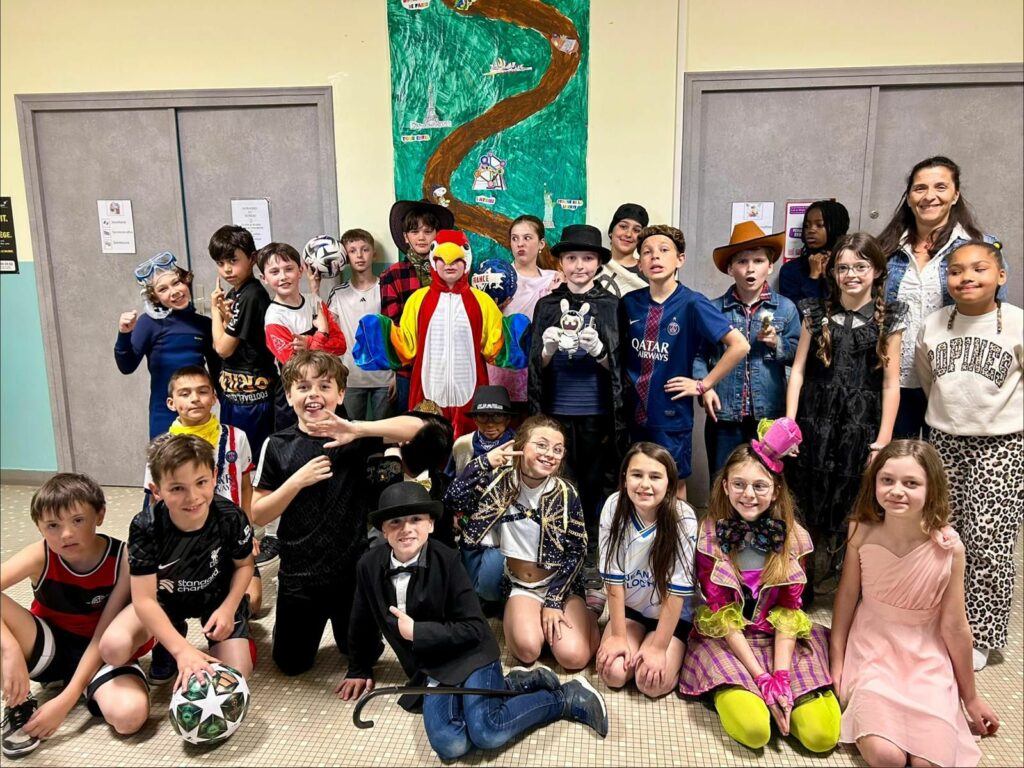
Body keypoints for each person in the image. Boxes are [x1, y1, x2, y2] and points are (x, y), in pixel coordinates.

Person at [337, 482, 608, 760]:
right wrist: (358, 668)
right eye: (395, 522)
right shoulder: (368, 565)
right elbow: (361, 617)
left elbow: (475, 629)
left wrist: (418, 631)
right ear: (383, 530)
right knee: (451, 744)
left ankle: (563, 698)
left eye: (416, 519)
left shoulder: (449, 561)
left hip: (470, 653)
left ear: (430, 524)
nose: (406, 529)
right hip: (432, 668)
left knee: (488, 730)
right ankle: (514, 685)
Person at [250, 350, 423, 678]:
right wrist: (296, 481)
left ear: (340, 394)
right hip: (299, 575)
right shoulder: (277, 444)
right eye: (303, 387)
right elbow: (258, 514)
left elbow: (420, 428)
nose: (313, 394)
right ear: (289, 395)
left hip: (351, 574)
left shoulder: (358, 437)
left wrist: (358, 429)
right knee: (291, 664)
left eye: (324, 386)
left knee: (364, 655)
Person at [830, 441, 1000, 766]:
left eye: (911, 483)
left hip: (926, 658)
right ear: (874, 483)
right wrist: (836, 662)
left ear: (931, 488)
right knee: (886, 757)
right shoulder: (861, 530)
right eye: (887, 480)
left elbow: (955, 627)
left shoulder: (949, 548)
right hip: (873, 651)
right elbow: (846, 597)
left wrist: (971, 697)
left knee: (928, 762)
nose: (897, 491)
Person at [678, 420, 840, 753]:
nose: (748, 495)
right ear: (725, 487)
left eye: (759, 486)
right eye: (739, 484)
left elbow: (789, 610)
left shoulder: (794, 538)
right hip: (729, 640)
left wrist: (780, 676)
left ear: (776, 490)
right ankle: (734, 687)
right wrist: (760, 677)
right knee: (755, 731)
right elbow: (722, 614)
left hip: (779, 639)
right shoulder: (710, 537)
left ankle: (797, 692)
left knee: (821, 737)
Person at [916, 240, 1023, 671]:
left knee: (988, 541)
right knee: (941, 534)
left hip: (1000, 444)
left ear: (1001, 275)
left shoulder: (1017, 324)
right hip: (944, 441)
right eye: (956, 271)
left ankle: (980, 634)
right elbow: (928, 379)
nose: (966, 278)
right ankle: (941, 621)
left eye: (979, 269)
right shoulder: (933, 325)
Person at [785, 232, 905, 594]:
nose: (851, 274)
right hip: (814, 420)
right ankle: (803, 579)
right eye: (842, 267)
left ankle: (846, 581)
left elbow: (891, 383)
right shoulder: (814, 312)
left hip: (860, 424)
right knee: (808, 496)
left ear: (877, 270)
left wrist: (883, 441)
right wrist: (789, 424)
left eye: (860, 266)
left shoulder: (890, 318)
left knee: (852, 500)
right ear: (832, 272)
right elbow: (798, 371)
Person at [0, 474, 151, 757]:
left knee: (130, 716)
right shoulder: (40, 555)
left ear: (100, 515)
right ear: (39, 527)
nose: (66, 534)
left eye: (78, 520)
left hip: (102, 652)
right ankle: (18, 702)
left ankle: (78, 686)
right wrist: (10, 650)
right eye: (53, 526)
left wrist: (65, 702)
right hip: (49, 646)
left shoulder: (123, 558)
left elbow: (102, 636)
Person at [101, 434, 255, 694]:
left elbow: (245, 566)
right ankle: (169, 636)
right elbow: (144, 600)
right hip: (165, 599)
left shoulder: (230, 516)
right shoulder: (146, 526)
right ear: (156, 490)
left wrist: (228, 608)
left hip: (217, 595)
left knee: (234, 676)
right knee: (112, 648)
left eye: (201, 482)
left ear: (214, 477)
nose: (192, 497)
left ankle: (236, 632)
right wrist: (181, 650)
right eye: (177, 488)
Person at [445, 416, 599, 670]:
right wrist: (483, 462)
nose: (549, 454)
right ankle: (534, 622)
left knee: (573, 658)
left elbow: (577, 550)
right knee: (527, 652)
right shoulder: (500, 482)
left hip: (561, 584)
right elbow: (453, 500)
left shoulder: (565, 492)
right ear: (520, 446)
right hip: (520, 585)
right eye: (541, 445)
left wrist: (553, 600)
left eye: (557, 449)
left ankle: (589, 613)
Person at [355, 230, 528, 439]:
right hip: (427, 389)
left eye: (456, 261)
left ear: (466, 261)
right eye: (442, 260)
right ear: (433, 261)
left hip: (471, 390)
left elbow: (495, 344)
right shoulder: (418, 300)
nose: (449, 265)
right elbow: (407, 344)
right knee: (427, 443)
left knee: (468, 446)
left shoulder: (482, 301)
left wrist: (518, 335)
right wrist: (377, 334)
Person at [620, 225, 749, 499]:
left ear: (680, 259)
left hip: (670, 414)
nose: (655, 257)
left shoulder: (692, 303)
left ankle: (679, 528)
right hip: (632, 412)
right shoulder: (629, 303)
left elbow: (740, 345)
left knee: (673, 480)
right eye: (647, 252)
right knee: (635, 480)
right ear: (639, 264)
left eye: (664, 250)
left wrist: (703, 385)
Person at [877, 156, 1001, 439]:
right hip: (894, 381)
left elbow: (994, 319)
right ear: (909, 197)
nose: (929, 196)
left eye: (940, 187)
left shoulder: (980, 249)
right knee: (897, 460)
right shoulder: (885, 249)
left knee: (944, 463)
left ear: (955, 195)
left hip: (953, 382)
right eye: (920, 188)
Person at [528, 224, 626, 568]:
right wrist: (548, 349)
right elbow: (536, 365)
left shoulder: (612, 306)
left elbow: (618, 366)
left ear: (598, 262)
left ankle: (591, 547)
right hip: (555, 410)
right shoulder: (546, 306)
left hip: (596, 412)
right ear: (561, 263)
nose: (579, 266)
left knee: (593, 481)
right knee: (558, 478)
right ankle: (558, 543)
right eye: (571, 258)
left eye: (587, 258)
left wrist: (599, 352)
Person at [149, 365, 264, 618]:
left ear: (214, 397)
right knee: (173, 601)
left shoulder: (236, 437)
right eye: (185, 393)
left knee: (252, 603)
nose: (195, 399)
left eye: (202, 392)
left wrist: (248, 529)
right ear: (171, 403)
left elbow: (245, 485)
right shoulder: (160, 448)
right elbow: (154, 500)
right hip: (185, 537)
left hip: (230, 533)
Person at [696, 222, 801, 479]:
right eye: (742, 261)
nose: (750, 268)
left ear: (770, 266)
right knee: (722, 479)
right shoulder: (714, 309)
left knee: (767, 480)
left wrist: (777, 343)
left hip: (769, 415)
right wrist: (704, 387)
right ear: (730, 268)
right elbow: (698, 355)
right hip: (724, 414)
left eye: (758, 260)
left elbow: (798, 357)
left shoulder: (785, 309)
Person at [595, 443, 697, 698]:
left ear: (670, 483)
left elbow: (676, 591)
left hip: (670, 615)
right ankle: (633, 638)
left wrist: (658, 648)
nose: (645, 484)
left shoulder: (683, 517)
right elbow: (614, 580)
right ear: (624, 478)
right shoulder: (614, 506)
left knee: (650, 683)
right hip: (632, 609)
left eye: (655, 477)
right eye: (637, 475)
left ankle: (679, 650)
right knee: (613, 674)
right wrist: (618, 636)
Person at [208, 225, 280, 565]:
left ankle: (270, 534)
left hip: (254, 399)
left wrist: (214, 314)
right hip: (236, 397)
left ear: (251, 258)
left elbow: (223, 347)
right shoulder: (237, 293)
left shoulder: (251, 294)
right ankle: (244, 530)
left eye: (233, 261)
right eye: (220, 263)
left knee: (257, 467)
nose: (226, 269)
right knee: (235, 465)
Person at [115, 250, 218, 439]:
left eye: (176, 283)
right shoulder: (149, 323)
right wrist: (124, 334)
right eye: (163, 289)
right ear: (154, 297)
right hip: (164, 413)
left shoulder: (204, 324)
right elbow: (126, 366)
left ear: (186, 281)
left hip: (198, 412)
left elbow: (217, 372)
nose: (174, 292)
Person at [258, 241, 346, 430]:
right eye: (274, 272)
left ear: (300, 270)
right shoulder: (274, 319)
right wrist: (321, 334)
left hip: (327, 389)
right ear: (264, 278)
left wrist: (309, 343)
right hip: (296, 398)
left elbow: (340, 345)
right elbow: (296, 368)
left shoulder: (315, 302)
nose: (283, 277)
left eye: (288, 269)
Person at [378, 199, 456, 414]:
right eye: (414, 232)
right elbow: (392, 325)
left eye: (428, 231)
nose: (421, 237)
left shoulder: (451, 271)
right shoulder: (393, 274)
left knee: (445, 421)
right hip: (410, 368)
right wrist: (396, 370)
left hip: (447, 365)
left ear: (437, 236)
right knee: (411, 422)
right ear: (406, 237)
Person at [486, 215, 562, 406]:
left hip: (539, 369)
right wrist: (493, 309)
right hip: (503, 369)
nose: (520, 244)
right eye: (515, 238)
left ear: (541, 243)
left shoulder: (554, 280)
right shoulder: (495, 280)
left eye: (527, 238)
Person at [322, 229, 394, 421]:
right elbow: (327, 330)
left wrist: (397, 374)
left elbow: (396, 333)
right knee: (352, 430)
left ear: (374, 254)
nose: (359, 255)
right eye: (352, 251)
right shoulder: (338, 293)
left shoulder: (386, 288)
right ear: (345, 257)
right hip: (350, 377)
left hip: (384, 376)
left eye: (365, 249)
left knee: (384, 432)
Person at [777, 200, 850, 303]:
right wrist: (813, 277)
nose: (811, 230)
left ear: (836, 227)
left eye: (819, 225)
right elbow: (796, 311)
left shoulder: (851, 267)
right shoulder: (791, 270)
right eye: (806, 226)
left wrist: (828, 277)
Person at [448, 385, 516, 478]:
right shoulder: (462, 445)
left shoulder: (519, 445)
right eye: (483, 416)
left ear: (508, 419)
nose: (490, 424)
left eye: (497, 416)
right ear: (475, 419)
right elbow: (449, 480)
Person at [595, 203, 649, 298]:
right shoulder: (593, 264)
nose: (628, 234)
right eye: (623, 227)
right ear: (611, 231)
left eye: (636, 230)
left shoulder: (647, 270)